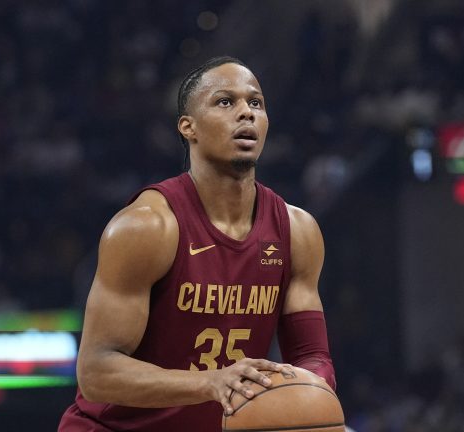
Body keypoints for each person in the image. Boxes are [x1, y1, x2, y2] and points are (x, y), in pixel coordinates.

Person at [59, 56, 336, 432]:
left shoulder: (298, 230)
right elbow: (96, 371)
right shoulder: (147, 227)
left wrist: (306, 392)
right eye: (226, 102)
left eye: (256, 103)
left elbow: (311, 355)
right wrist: (210, 381)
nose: (246, 114)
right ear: (188, 127)